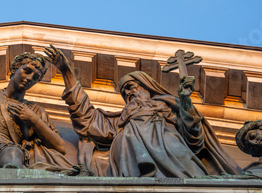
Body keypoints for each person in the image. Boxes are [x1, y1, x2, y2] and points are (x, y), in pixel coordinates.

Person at [44, 45, 241, 178]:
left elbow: (194, 140)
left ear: (147, 87)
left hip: (171, 147)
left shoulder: (168, 106)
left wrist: (186, 102)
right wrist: (67, 72)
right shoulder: (120, 121)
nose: (128, 92)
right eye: (124, 91)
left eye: (132, 86)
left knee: (192, 176)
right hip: (129, 155)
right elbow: (86, 117)